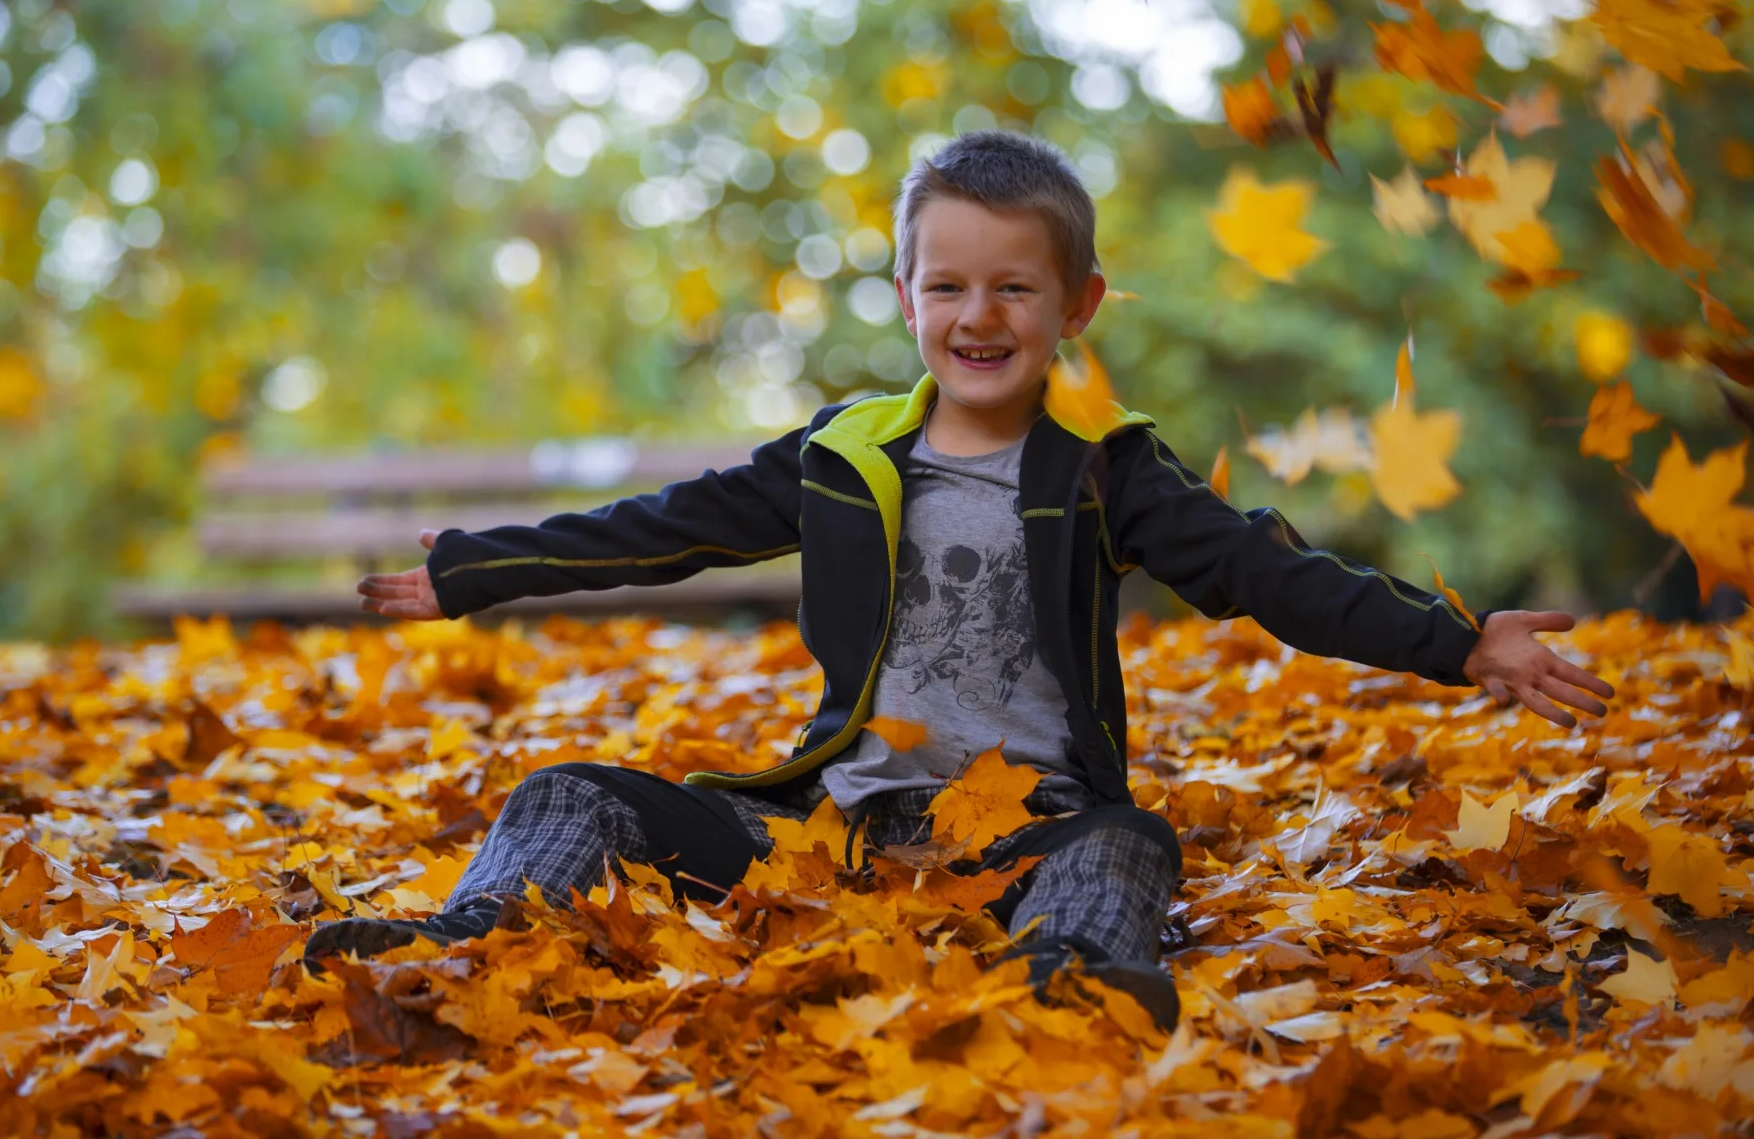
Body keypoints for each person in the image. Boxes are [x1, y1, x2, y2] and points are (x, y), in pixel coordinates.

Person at [303, 131, 1614, 1030]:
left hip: (1025, 829)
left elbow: (1268, 574)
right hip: (831, 832)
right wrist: (479, 568)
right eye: (948, 285)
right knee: (570, 788)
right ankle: (473, 932)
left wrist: (1460, 644)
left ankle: (1072, 971)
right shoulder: (843, 455)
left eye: (1013, 288)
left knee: (1128, 840)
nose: (978, 314)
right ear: (905, 295)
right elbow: (670, 526)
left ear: (1075, 304)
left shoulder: (1110, 475)